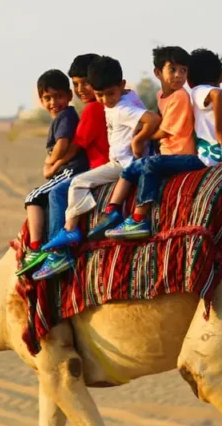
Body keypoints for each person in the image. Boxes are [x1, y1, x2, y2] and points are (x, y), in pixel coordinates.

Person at [33, 56, 161, 279]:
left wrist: (52, 165)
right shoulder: (119, 100)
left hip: (110, 163)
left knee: (57, 193)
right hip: (118, 161)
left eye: (85, 83)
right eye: (76, 84)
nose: (81, 89)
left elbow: (73, 146)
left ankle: (59, 250)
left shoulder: (98, 108)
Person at [89, 45, 199, 240]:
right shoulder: (162, 96)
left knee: (150, 164)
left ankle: (139, 217)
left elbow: (165, 130)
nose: (179, 75)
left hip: (182, 155)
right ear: (158, 72)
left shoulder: (181, 96)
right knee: (131, 169)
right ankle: (111, 211)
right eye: (172, 70)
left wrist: (140, 136)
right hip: (167, 154)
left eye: (183, 70)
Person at [16, 70, 89, 275]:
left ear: (68, 96)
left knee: (33, 196)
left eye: (58, 96)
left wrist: (50, 162)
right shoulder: (63, 117)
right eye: (47, 98)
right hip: (67, 169)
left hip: (70, 171)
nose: (53, 102)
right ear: (41, 100)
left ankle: (37, 248)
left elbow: (62, 144)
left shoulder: (65, 117)